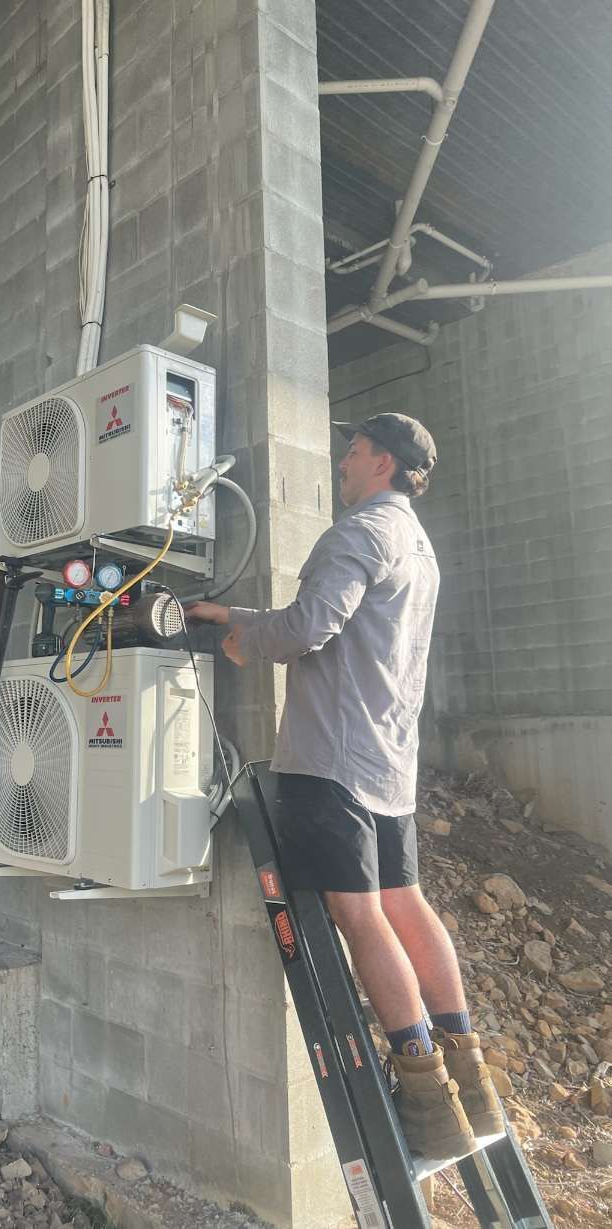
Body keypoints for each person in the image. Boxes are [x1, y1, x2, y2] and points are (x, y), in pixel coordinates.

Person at [187, 413, 502, 1161]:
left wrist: (244, 641)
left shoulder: (357, 531)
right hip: (387, 765)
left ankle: (424, 1096)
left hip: (331, 761)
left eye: (354, 449)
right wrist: (231, 616)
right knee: (405, 902)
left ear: (382, 462)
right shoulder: (417, 545)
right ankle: (468, 1078)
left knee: (359, 917)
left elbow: (308, 630)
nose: (343, 459)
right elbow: (333, 627)